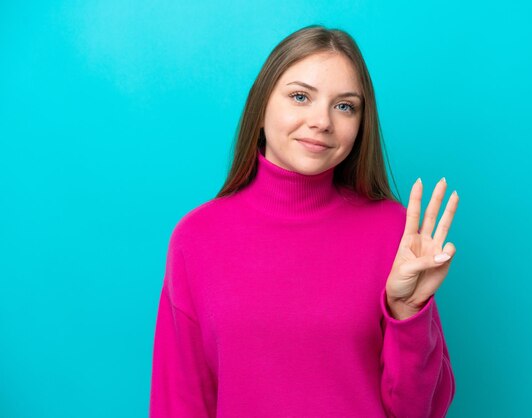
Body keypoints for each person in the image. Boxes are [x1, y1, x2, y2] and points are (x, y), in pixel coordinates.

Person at [149, 24, 459, 418]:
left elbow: (423, 412)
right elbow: (179, 404)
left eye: (344, 106)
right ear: (261, 107)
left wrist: (408, 311)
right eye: (300, 97)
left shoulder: (395, 235)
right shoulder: (196, 238)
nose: (322, 121)